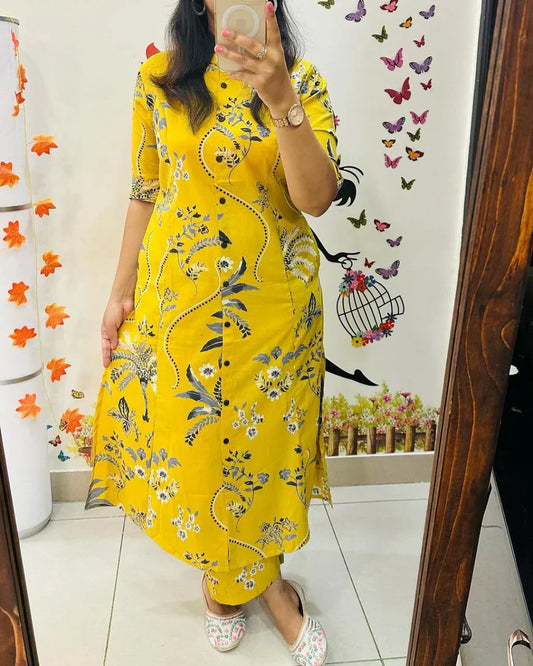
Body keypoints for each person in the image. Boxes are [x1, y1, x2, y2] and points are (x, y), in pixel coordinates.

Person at [85, 0, 343, 663]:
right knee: (199, 449)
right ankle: (223, 580)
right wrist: (118, 293)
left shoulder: (302, 82)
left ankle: (268, 587)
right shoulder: (159, 80)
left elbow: (315, 198)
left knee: (266, 448)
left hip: (273, 312)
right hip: (181, 308)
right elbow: (145, 190)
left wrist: (281, 99)